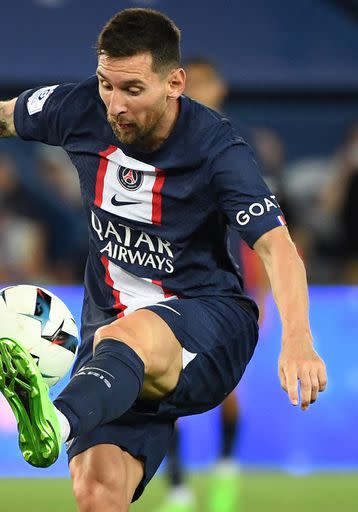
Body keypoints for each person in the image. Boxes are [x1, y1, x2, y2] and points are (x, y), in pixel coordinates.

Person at [0, 8, 327, 510]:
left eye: (132, 90)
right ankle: (69, 423)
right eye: (106, 85)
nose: (115, 105)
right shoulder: (80, 109)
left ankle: (55, 420)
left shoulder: (218, 149)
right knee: (96, 491)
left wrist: (298, 340)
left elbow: (277, 247)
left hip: (211, 323)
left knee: (123, 337)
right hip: (113, 346)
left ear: (175, 82)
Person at [157, 56, 249, 512]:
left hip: (218, 294)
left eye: (209, 83)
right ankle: (176, 486)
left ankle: (227, 471)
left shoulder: (229, 151)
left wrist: (264, 300)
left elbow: (265, 237)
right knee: (162, 391)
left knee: (227, 391)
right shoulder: (162, 148)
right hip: (165, 290)